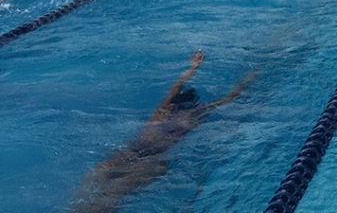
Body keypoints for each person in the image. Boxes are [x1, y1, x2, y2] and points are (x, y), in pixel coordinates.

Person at [69, 50, 253, 213]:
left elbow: (227, 99)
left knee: (115, 192)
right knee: (96, 173)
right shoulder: (163, 110)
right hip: (131, 151)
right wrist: (193, 68)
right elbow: (176, 87)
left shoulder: (191, 114)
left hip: (152, 160)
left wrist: (246, 82)